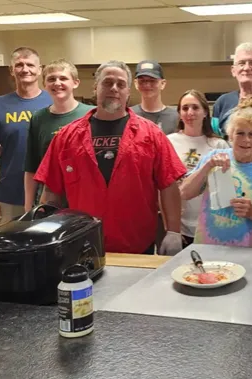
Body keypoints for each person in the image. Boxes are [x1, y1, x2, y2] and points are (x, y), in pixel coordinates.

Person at [35, 60, 187, 255]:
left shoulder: (151, 135)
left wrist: (173, 231)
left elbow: (169, 185)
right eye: (107, 83)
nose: (114, 88)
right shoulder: (66, 137)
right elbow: (52, 190)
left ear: (127, 91)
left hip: (136, 245)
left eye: (121, 84)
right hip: (81, 244)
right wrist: (46, 232)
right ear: (95, 87)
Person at [181, 97, 252, 248]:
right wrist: (207, 167)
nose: (246, 140)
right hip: (207, 250)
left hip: (248, 253)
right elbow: (185, 193)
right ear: (230, 135)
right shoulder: (214, 158)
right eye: (240, 133)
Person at [0, 47, 52, 224]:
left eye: (30, 65)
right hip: (9, 196)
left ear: (40, 70)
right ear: (11, 70)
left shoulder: (53, 101)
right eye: (19, 65)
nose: (25, 69)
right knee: (8, 250)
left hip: (50, 196)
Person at [24, 59, 94, 212]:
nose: (57, 83)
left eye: (63, 78)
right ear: (45, 85)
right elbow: (31, 167)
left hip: (84, 198)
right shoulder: (38, 118)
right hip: (49, 201)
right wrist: (28, 206)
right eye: (51, 79)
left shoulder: (91, 114)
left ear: (75, 83)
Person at [168, 90, 229, 247]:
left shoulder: (218, 145)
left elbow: (226, 189)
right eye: (185, 108)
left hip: (211, 226)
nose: (190, 113)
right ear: (179, 114)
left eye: (195, 108)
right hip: (181, 226)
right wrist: (171, 228)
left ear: (205, 113)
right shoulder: (169, 142)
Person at [131, 60, 178, 135]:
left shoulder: (176, 116)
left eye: (152, 81)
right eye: (142, 81)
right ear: (136, 84)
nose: (147, 85)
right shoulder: (129, 115)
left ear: (163, 84)